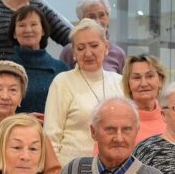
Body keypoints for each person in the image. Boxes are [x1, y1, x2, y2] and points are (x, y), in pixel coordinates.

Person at [44, 19, 123, 164]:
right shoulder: (62, 82)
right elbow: (51, 136)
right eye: (80, 48)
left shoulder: (120, 82)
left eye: (94, 46)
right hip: (71, 168)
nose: (88, 53)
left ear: (106, 47)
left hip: (114, 167)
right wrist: (54, 172)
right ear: (73, 53)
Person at [6, 6, 70, 116]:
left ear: (43, 30)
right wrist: (23, 119)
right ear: (14, 33)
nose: (28, 30)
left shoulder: (61, 69)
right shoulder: (3, 69)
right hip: (15, 127)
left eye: (33, 24)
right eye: (22, 25)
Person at [58, 0, 126, 73]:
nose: (97, 21)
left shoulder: (118, 54)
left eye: (102, 15)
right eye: (91, 17)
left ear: (108, 17)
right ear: (81, 20)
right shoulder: (69, 51)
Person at [122, 54, 168, 143]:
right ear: (128, 84)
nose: (144, 83)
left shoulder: (172, 117)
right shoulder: (117, 119)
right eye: (137, 78)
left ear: (160, 80)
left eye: (150, 76)